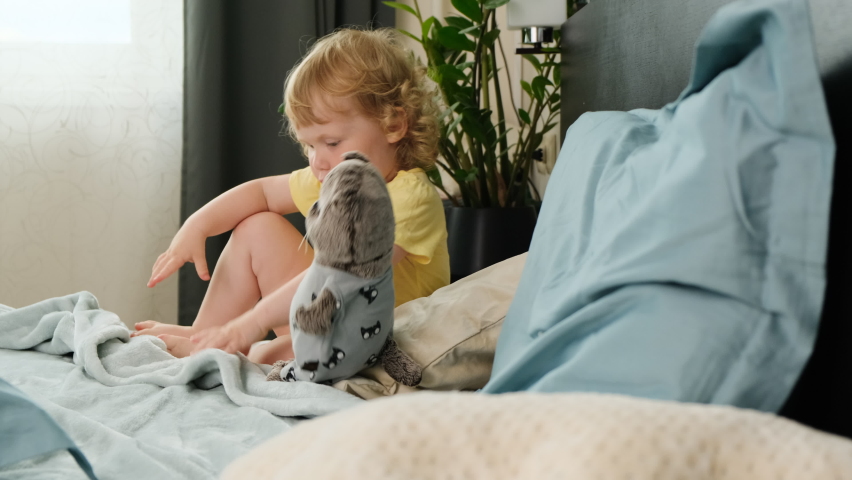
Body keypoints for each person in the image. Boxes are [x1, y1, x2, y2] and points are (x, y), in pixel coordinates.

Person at [131, 28, 450, 364]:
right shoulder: (336, 175)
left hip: (379, 341)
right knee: (258, 228)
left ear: (393, 125)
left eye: (331, 143)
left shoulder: (410, 197)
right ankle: (207, 335)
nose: (318, 160)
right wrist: (197, 226)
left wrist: (253, 323)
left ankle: (239, 350)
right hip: (326, 323)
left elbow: (340, 276)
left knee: (267, 350)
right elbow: (262, 193)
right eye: (310, 145)